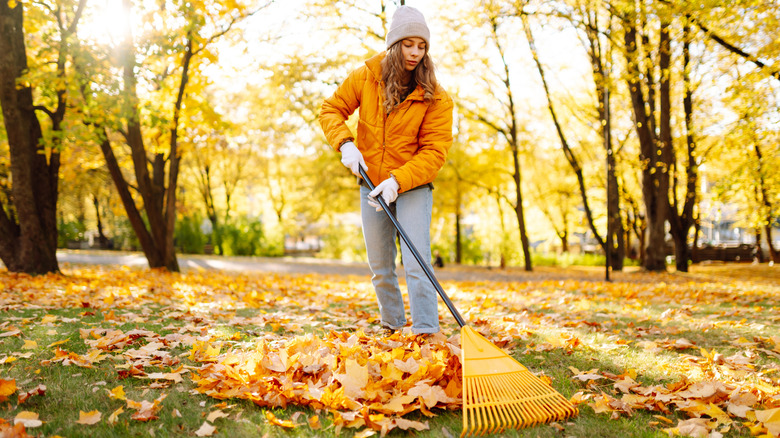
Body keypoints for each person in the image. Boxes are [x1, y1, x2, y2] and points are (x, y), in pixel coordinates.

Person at [319, 5, 453, 336]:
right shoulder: (366, 76)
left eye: (422, 47)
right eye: (409, 44)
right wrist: (345, 144)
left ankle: (425, 333)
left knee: (417, 263)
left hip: (412, 187)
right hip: (370, 183)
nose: (415, 53)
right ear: (395, 44)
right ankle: (392, 328)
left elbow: (434, 152)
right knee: (380, 266)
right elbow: (330, 109)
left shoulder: (436, 98)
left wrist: (397, 181)